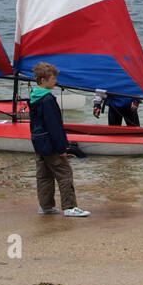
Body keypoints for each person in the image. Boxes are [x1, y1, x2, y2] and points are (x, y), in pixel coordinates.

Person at [28, 62, 90, 217]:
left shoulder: (33, 95)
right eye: (52, 78)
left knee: (44, 175)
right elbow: (54, 126)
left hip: (38, 142)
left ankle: (46, 206)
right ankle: (70, 207)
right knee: (64, 172)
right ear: (43, 80)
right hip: (50, 144)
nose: (55, 81)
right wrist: (62, 148)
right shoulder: (48, 99)